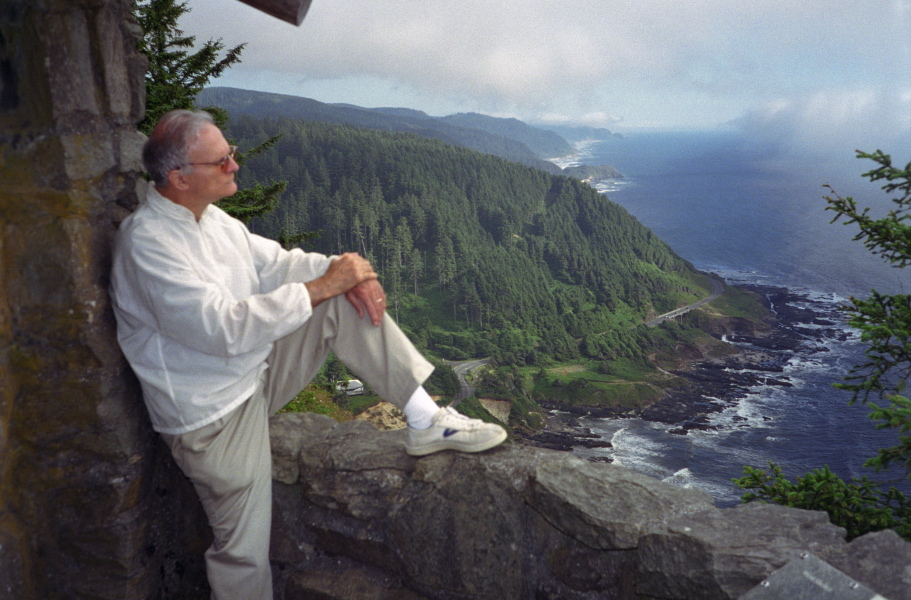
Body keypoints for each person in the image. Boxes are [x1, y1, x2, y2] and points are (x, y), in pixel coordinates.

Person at [110, 109, 507, 600]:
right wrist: (325, 284)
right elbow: (224, 328)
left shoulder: (211, 221)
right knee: (242, 554)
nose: (235, 165)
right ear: (179, 177)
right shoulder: (148, 243)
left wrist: (347, 271)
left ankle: (425, 419)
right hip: (211, 418)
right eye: (223, 160)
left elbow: (280, 264)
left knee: (336, 300)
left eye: (231, 153)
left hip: (254, 376)